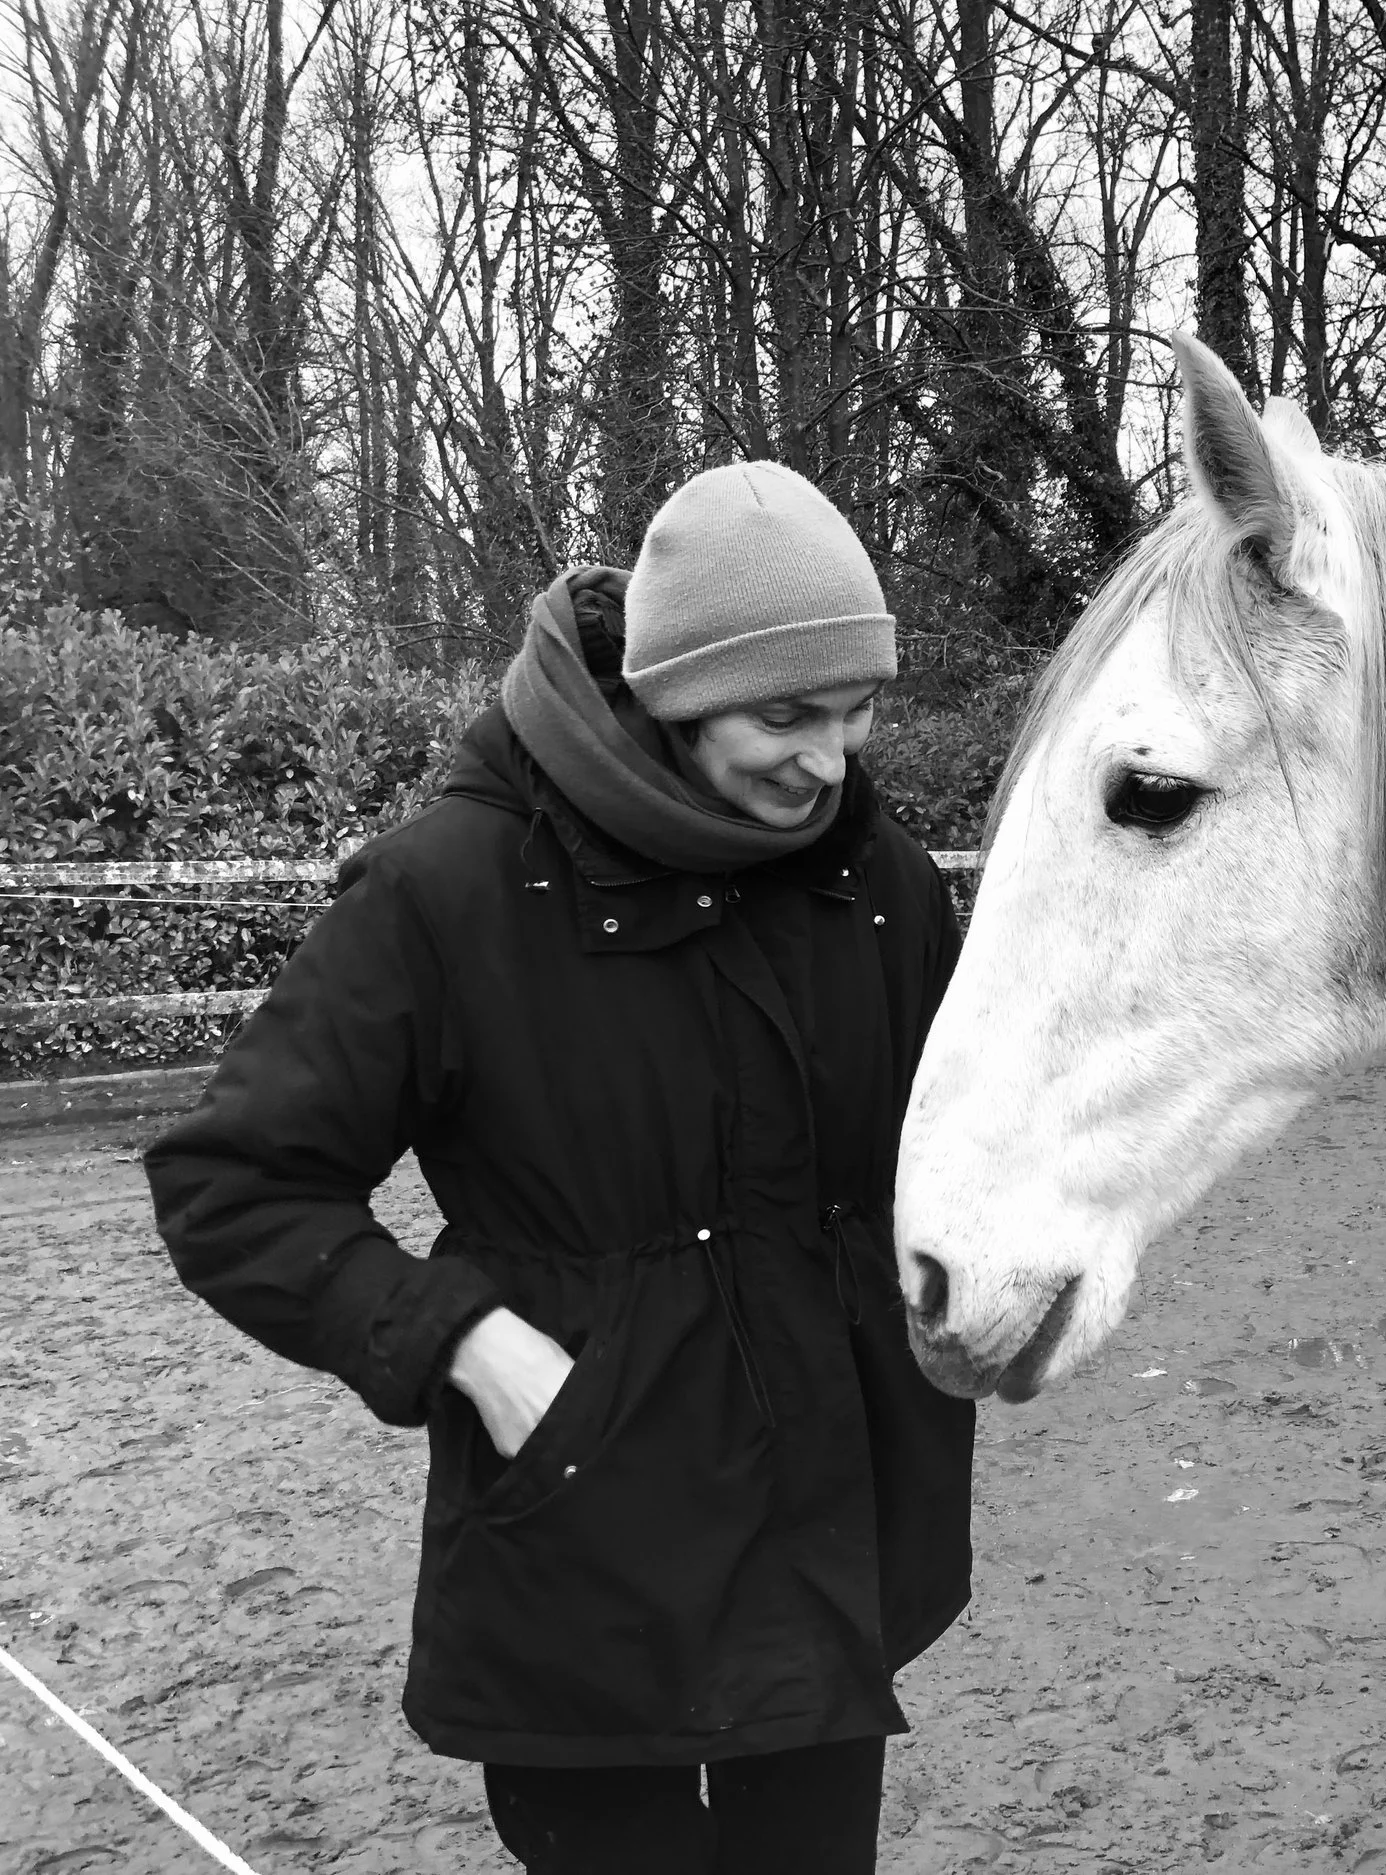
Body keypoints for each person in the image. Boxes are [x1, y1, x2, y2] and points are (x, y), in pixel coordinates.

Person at [145, 462, 975, 1874]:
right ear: (668, 689)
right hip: (587, 1533)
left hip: (826, 1535)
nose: (829, 761)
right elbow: (234, 1180)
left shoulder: (874, 875)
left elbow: (962, 1125)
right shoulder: (451, 887)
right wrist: (457, 1336)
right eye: (785, 712)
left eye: (853, 711)